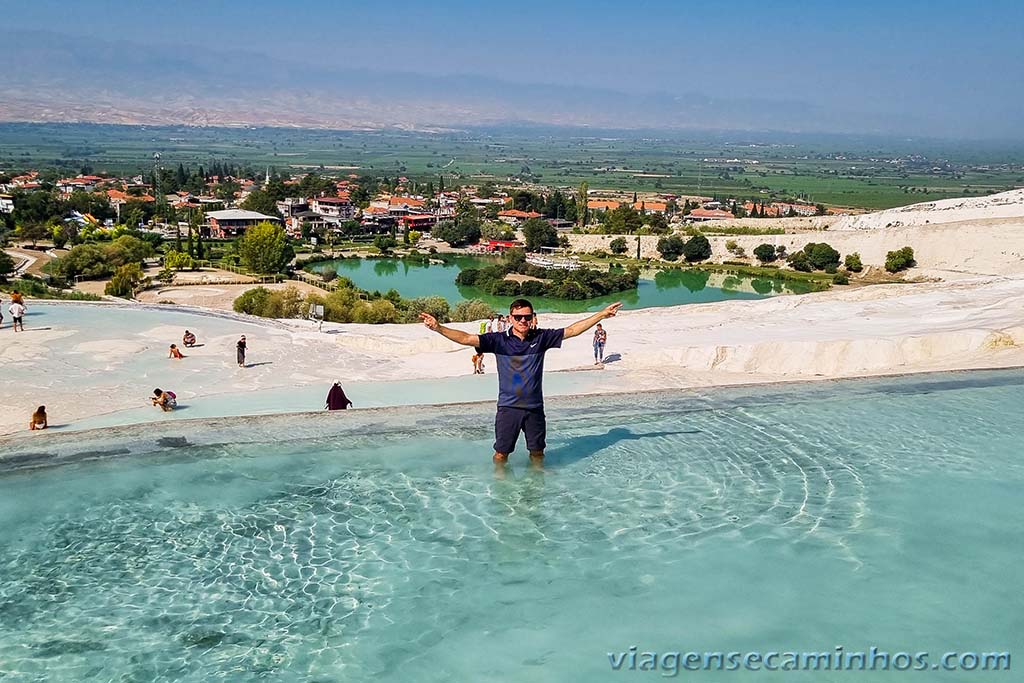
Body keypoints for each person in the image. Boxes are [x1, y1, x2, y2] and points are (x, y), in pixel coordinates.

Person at [421, 298, 621, 467]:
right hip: (508, 408)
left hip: (534, 408)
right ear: (510, 318)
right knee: (501, 454)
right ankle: (500, 485)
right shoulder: (499, 340)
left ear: (533, 317)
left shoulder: (541, 337)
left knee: (538, 453)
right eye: (518, 317)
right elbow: (466, 338)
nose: (523, 320)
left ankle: (536, 484)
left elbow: (572, 330)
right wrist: (438, 328)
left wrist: (601, 315)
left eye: (527, 316)